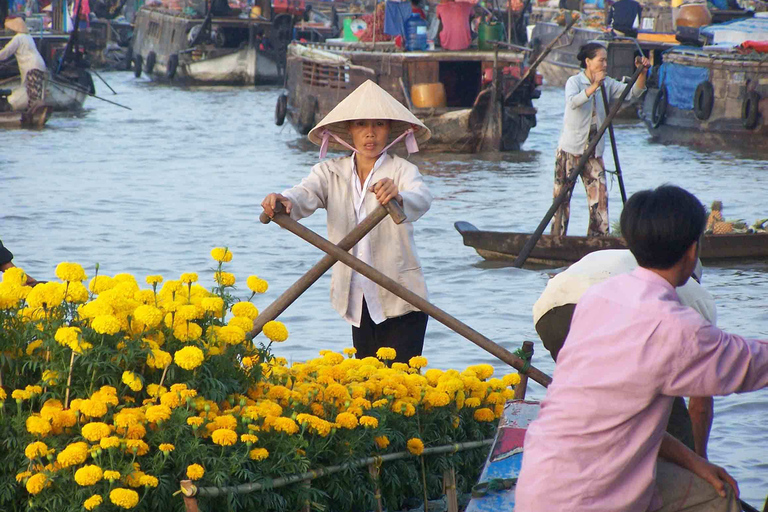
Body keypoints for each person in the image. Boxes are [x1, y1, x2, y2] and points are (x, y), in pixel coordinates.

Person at [516, 185, 768, 512]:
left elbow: (621, 417)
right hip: (589, 499)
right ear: (692, 251)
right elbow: (752, 365)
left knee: (703, 486)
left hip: (539, 482)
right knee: (723, 503)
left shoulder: (600, 297)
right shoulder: (676, 327)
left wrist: (695, 462)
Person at [261, 80, 433, 363]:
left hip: (403, 298)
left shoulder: (401, 170)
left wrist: (399, 197)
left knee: (403, 388)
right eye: (361, 125)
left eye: (379, 124)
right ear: (350, 130)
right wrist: (283, 200)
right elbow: (305, 193)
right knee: (366, 384)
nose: (370, 134)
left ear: (389, 129)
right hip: (358, 298)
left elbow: (422, 197)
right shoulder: (330, 172)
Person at [532, 249, 715, 458]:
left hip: (549, 311)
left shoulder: (635, 262)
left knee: (600, 406)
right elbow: (700, 403)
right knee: (669, 421)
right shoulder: (697, 299)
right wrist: (699, 460)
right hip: (600, 309)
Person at [551, 42, 648, 238]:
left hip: (593, 152)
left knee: (600, 199)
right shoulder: (575, 82)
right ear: (588, 62)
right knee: (561, 200)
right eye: (601, 60)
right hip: (570, 150)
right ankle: (556, 239)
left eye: (606, 60)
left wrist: (642, 72)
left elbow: (632, 93)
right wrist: (594, 86)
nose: (605, 64)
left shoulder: (608, 83)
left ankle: (598, 241)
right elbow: (573, 102)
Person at [0, 17, 47, 111]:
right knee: (35, 94)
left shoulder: (18, 38)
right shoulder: (28, 36)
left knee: (33, 95)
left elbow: (6, 53)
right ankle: (33, 113)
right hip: (40, 66)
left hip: (32, 67)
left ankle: (32, 115)